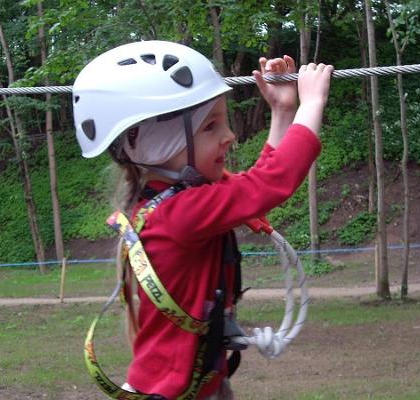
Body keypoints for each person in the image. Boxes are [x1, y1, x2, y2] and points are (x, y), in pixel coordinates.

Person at [73, 40, 333, 400]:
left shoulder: (176, 203)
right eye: (211, 127)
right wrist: (313, 103)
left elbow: (251, 190)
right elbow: (270, 183)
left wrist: (284, 112)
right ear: (155, 144)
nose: (229, 136)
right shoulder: (181, 213)